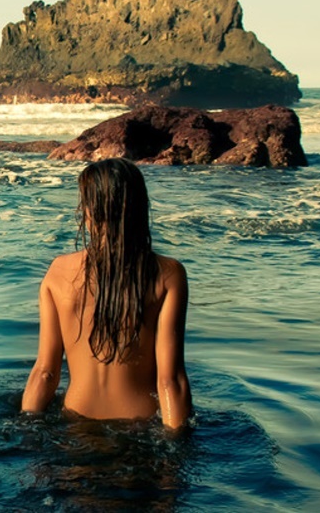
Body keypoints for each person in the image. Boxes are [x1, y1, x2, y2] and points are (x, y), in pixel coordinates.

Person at [21, 158, 192, 431]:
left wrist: (27, 432)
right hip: (139, 428)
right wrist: (176, 451)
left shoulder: (58, 272)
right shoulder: (168, 274)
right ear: (138, 208)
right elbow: (170, 381)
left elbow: (45, 372)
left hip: (76, 426)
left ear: (88, 211)